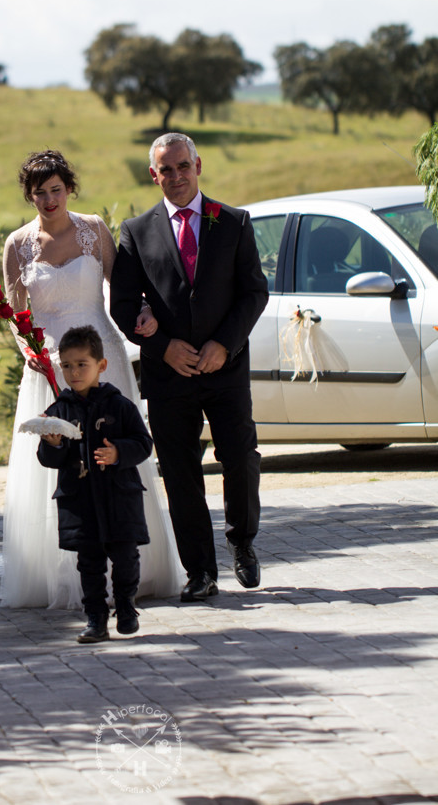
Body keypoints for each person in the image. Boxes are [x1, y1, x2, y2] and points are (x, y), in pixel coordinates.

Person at [0, 149, 184, 609]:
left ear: (69, 189)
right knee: (59, 463)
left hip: (103, 357)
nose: (48, 200)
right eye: (39, 193)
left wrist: (144, 314)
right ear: (29, 196)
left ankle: (137, 567)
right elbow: (15, 313)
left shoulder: (94, 230)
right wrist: (32, 353)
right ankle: (60, 576)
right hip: (49, 367)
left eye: (56, 190)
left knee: (115, 453)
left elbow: (123, 291)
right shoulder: (17, 245)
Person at [110, 133, 269, 602]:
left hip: (226, 368)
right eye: (166, 170)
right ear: (153, 174)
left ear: (198, 165)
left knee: (240, 458)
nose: (176, 177)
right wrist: (162, 347)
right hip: (169, 376)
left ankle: (242, 542)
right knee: (180, 473)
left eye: (183, 167)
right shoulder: (135, 232)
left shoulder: (233, 221)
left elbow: (254, 292)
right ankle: (200, 572)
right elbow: (121, 306)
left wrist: (224, 343)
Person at [38, 325, 152, 643]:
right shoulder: (58, 412)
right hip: (81, 500)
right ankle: (96, 617)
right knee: (89, 563)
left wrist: (119, 453)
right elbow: (48, 459)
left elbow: (144, 444)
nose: (74, 373)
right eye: (67, 366)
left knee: (126, 557)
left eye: (82, 364)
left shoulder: (120, 406)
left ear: (101, 365)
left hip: (119, 498)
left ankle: (126, 606)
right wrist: (53, 444)